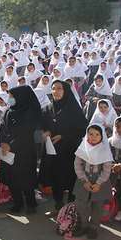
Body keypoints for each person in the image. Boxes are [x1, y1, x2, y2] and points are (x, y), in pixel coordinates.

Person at [43, 80, 87, 212]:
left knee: (71, 177)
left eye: (59, 88)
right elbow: (41, 125)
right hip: (53, 150)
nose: (56, 91)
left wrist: (63, 135)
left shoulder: (73, 108)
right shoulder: (48, 108)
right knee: (55, 177)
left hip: (70, 150)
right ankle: (58, 204)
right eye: (53, 88)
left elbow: (82, 128)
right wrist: (46, 132)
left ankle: (71, 208)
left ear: (66, 90)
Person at [0, 85, 43, 214]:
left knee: (26, 179)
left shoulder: (31, 113)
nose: (10, 99)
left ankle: (31, 203)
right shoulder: (8, 111)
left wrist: (11, 145)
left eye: (12, 96)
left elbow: (27, 134)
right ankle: (17, 202)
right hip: (8, 151)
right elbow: (2, 129)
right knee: (11, 178)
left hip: (25, 151)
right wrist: (3, 142)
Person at [72, 124, 113, 239]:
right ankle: (83, 225)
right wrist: (84, 180)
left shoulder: (105, 150)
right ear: (87, 135)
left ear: (102, 136)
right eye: (90, 134)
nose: (93, 137)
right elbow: (77, 165)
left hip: (100, 183)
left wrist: (99, 183)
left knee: (97, 206)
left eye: (97, 134)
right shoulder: (82, 147)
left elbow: (106, 169)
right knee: (81, 204)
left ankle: (94, 227)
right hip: (83, 180)